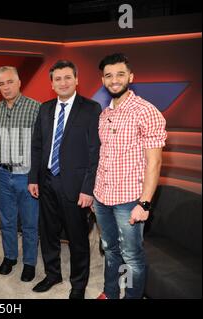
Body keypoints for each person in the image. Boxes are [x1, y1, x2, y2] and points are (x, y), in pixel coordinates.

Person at [93, 53, 166, 299]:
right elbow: (104, 157)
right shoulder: (104, 114)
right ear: (103, 80)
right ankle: (110, 292)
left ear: (131, 77)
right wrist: (95, 196)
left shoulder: (146, 111)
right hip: (102, 197)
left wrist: (144, 203)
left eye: (120, 74)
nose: (114, 80)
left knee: (132, 255)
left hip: (129, 200)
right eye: (109, 75)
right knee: (109, 249)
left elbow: (154, 162)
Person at [28, 60, 101, 298]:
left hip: (75, 185)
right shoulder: (45, 109)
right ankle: (52, 274)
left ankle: (78, 285)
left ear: (77, 80)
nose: (62, 82)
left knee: (77, 237)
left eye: (67, 77)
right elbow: (37, 146)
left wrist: (88, 189)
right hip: (47, 180)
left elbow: (94, 152)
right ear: (51, 83)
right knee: (47, 233)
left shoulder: (91, 109)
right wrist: (33, 178)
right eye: (57, 79)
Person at [0, 66, 40, 282]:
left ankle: (29, 262)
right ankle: (10, 257)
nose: (6, 87)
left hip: (26, 174)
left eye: (10, 81)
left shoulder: (35, 108)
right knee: (7, 220)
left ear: (19, 82)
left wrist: (35, 177)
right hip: (3, 173)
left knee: (30, 222)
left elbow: (41, 145)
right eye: (1, 83)